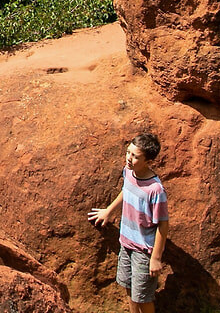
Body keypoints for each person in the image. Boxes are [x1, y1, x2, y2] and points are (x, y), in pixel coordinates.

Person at [88, 132, 170, 313]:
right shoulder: (129, 173)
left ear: (148, 160)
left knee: (142, 297)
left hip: (143, 250)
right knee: (128, 288)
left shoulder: (155, 190)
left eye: (135, 156)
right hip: (126, 243)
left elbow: (163, 225)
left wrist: (155, 258)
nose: (129, 158)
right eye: (128, 153)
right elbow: (127, 190)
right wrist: (108, 211)